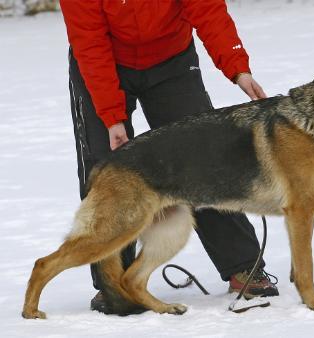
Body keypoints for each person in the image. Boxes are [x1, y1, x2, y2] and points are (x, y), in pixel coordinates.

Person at [59, 0, 278, 314]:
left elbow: (207, 9)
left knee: (205, 160)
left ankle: (244, 266)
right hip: (103, 62)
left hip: (170, 59)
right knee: (105, 169)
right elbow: (89, 40)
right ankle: (114, 284)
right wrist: (111, 116)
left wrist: (237, 67)